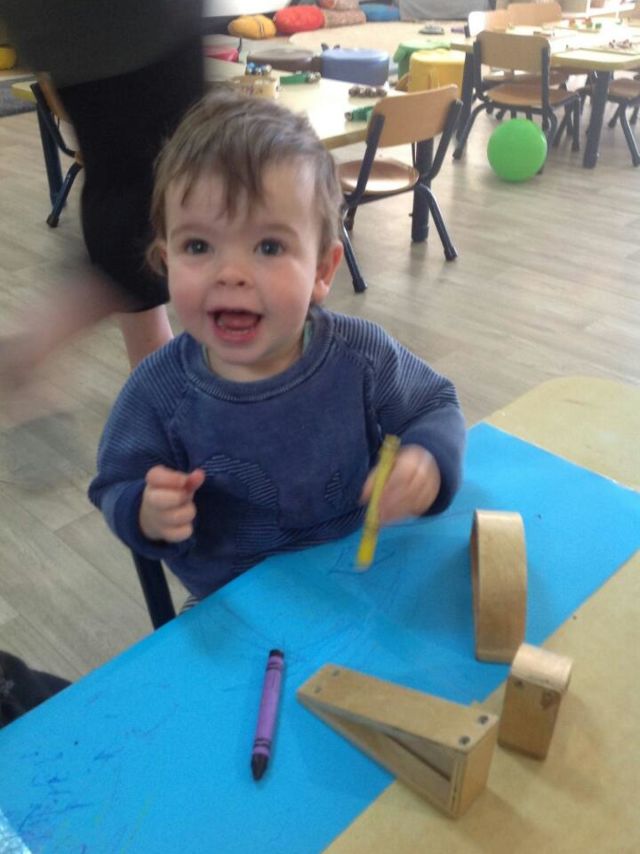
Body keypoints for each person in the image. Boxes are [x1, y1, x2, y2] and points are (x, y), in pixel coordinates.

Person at [88, 89, 466, 604]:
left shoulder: (361, 356)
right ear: (165, 261)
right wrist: (144, 511)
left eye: (269, 246)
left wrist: (429, 457)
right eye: (198, 246)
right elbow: (113, 484)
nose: (231, 274)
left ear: (323, 270)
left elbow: (434, 404)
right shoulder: (157, 393)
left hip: (360, 578)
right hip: (235, 607)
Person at [0, 0, 204, 410]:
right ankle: (37, 341)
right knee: (169, 202)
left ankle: (165, 406)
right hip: (137, 29)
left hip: (72, 41)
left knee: (134, 198)